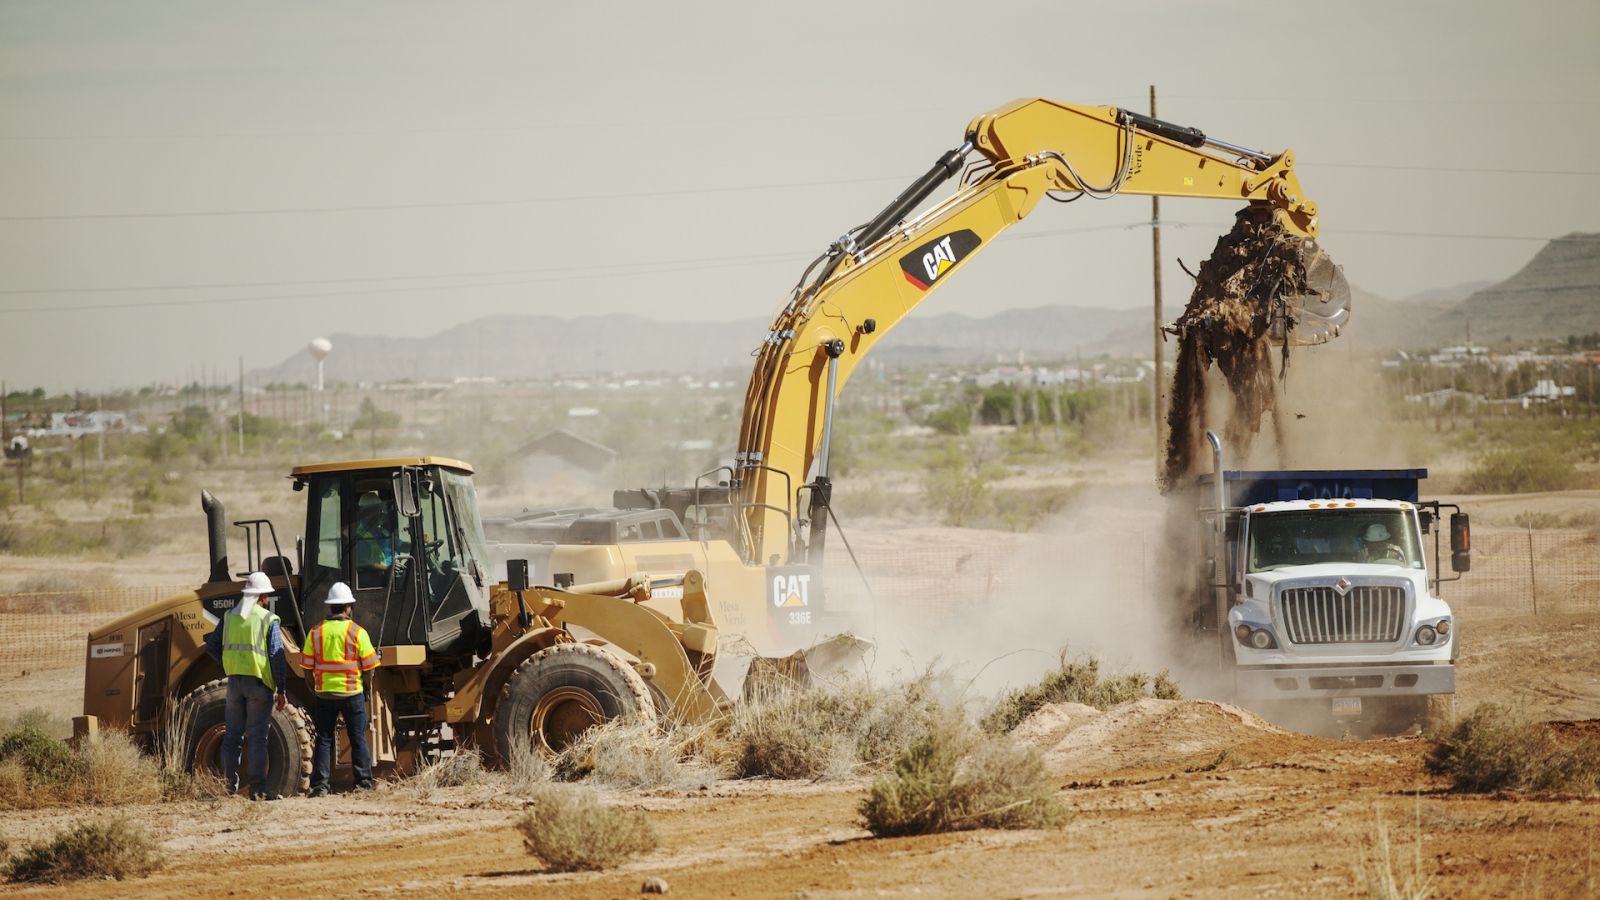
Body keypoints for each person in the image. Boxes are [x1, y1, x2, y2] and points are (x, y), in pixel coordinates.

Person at [202, 571, 288, 801]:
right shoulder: (267, 619)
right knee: (258, 737)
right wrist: (282, 689)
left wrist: (229, 663)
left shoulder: (229, 616)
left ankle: (228, 788)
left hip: (234, 684)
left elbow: (211, 647)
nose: (268, 600)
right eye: (266, 596)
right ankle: (258, 789)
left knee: (232, 736)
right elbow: (276, 657)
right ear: (260, 596)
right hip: (259, 685)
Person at [302, 582, 380, 796]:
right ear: (347, 607)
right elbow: (370, 667)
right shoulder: (357, 632)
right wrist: (365, 688)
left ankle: (320, 787)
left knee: (324, 739)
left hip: (324, 695)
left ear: (331, 607)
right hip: (352, 694)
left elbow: (307, 668)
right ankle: (363, 784)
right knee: (357, 738)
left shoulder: (316, 632)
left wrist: (314, 688)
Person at [353, 492, 395, 589]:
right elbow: (361, 563)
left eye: (380, 509)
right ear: (367, 513)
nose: (381, 513)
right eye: (377, 510)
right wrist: (387, 569)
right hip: (374, 584)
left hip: (388, 578)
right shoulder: (360, 536)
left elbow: (399, 544)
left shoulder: (381, 532)